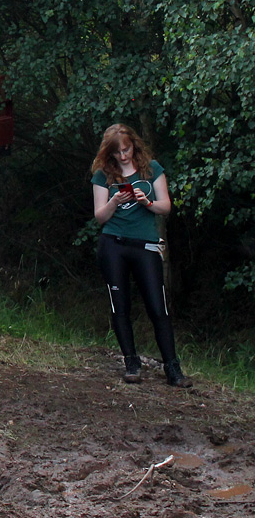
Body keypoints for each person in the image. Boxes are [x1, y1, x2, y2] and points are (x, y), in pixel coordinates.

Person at [91, 123, 191, 388]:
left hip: (145, 244)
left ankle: (173, 368)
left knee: (157, 307)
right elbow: (99, 216)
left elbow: (165, 206)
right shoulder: (103, 175)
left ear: (134, 145)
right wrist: (114, 202)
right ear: (109, 153)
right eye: (117, 152)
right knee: (119, 305)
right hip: (113, 244)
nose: (123, 156)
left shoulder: (152, 169)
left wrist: (145, 202)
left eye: (126, 150)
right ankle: (131, 362)